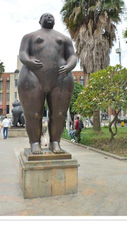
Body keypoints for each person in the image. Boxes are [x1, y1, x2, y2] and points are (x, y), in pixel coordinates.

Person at [18, 13, 77, 154]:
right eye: (46, 16)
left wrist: (69, 66)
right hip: (32, 75)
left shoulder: (64, 38)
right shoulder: (29, 37)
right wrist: (29, 61)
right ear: (40, 20)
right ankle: (35, 142)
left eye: (51, 16)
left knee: (59, 113)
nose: (49, 17)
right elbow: (22, 53)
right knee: (33, 113)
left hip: (60, 77)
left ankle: (55, 142)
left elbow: (72, 56)